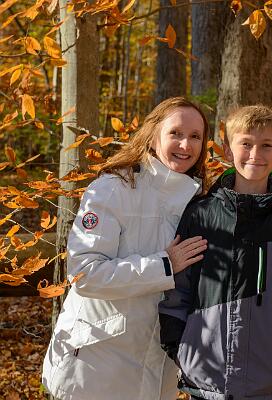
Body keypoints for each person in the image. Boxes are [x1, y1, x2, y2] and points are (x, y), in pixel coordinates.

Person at [159, 105, 272, 400]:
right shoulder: (201, 214)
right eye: (246, 144)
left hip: (271, 378)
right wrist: (180, 346)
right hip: (204, 374)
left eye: (266, 145)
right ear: (228, 150)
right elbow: (178, 288)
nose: (255, 154)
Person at [42, 97, 210, 400]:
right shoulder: (112, 188)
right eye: (175, 133)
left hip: (159, 368)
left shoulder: (198, 202)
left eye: (195, 136)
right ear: (153, 135)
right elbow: (84, 274)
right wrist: (164, 265)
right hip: (97, 364)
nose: (185, 144)